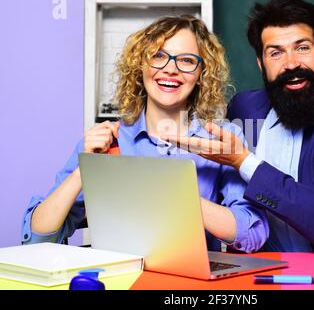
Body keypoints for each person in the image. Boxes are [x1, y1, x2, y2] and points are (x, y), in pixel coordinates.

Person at [21, 15, 269, 253]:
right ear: (140, 65)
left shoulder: (223, 137)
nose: (171, 69)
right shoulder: (108, 140)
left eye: (186, 60)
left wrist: (176, 196)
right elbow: (37, 240)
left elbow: (253, 233)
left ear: (202, 74)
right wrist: (82, 169)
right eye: (158, 56)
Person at [162, 0, 314, 253]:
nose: (291, 64)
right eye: (275, 53)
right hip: (255, 270)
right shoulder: (244, 108)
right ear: (261, 63)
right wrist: (116, 133)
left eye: (302, 48)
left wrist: (243, 161)